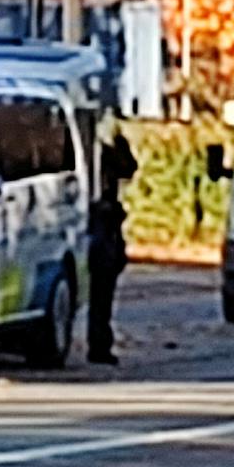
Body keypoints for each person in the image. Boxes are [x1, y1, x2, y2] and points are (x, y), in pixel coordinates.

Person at [88, 130, 137, 362]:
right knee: (101, 289)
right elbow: (128, 168)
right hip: (101, 224)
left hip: (104, 224)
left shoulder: (101, 152)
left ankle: (99, 340)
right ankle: (98, 341)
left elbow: (129, 168)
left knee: (102, 289)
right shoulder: (99, 153)